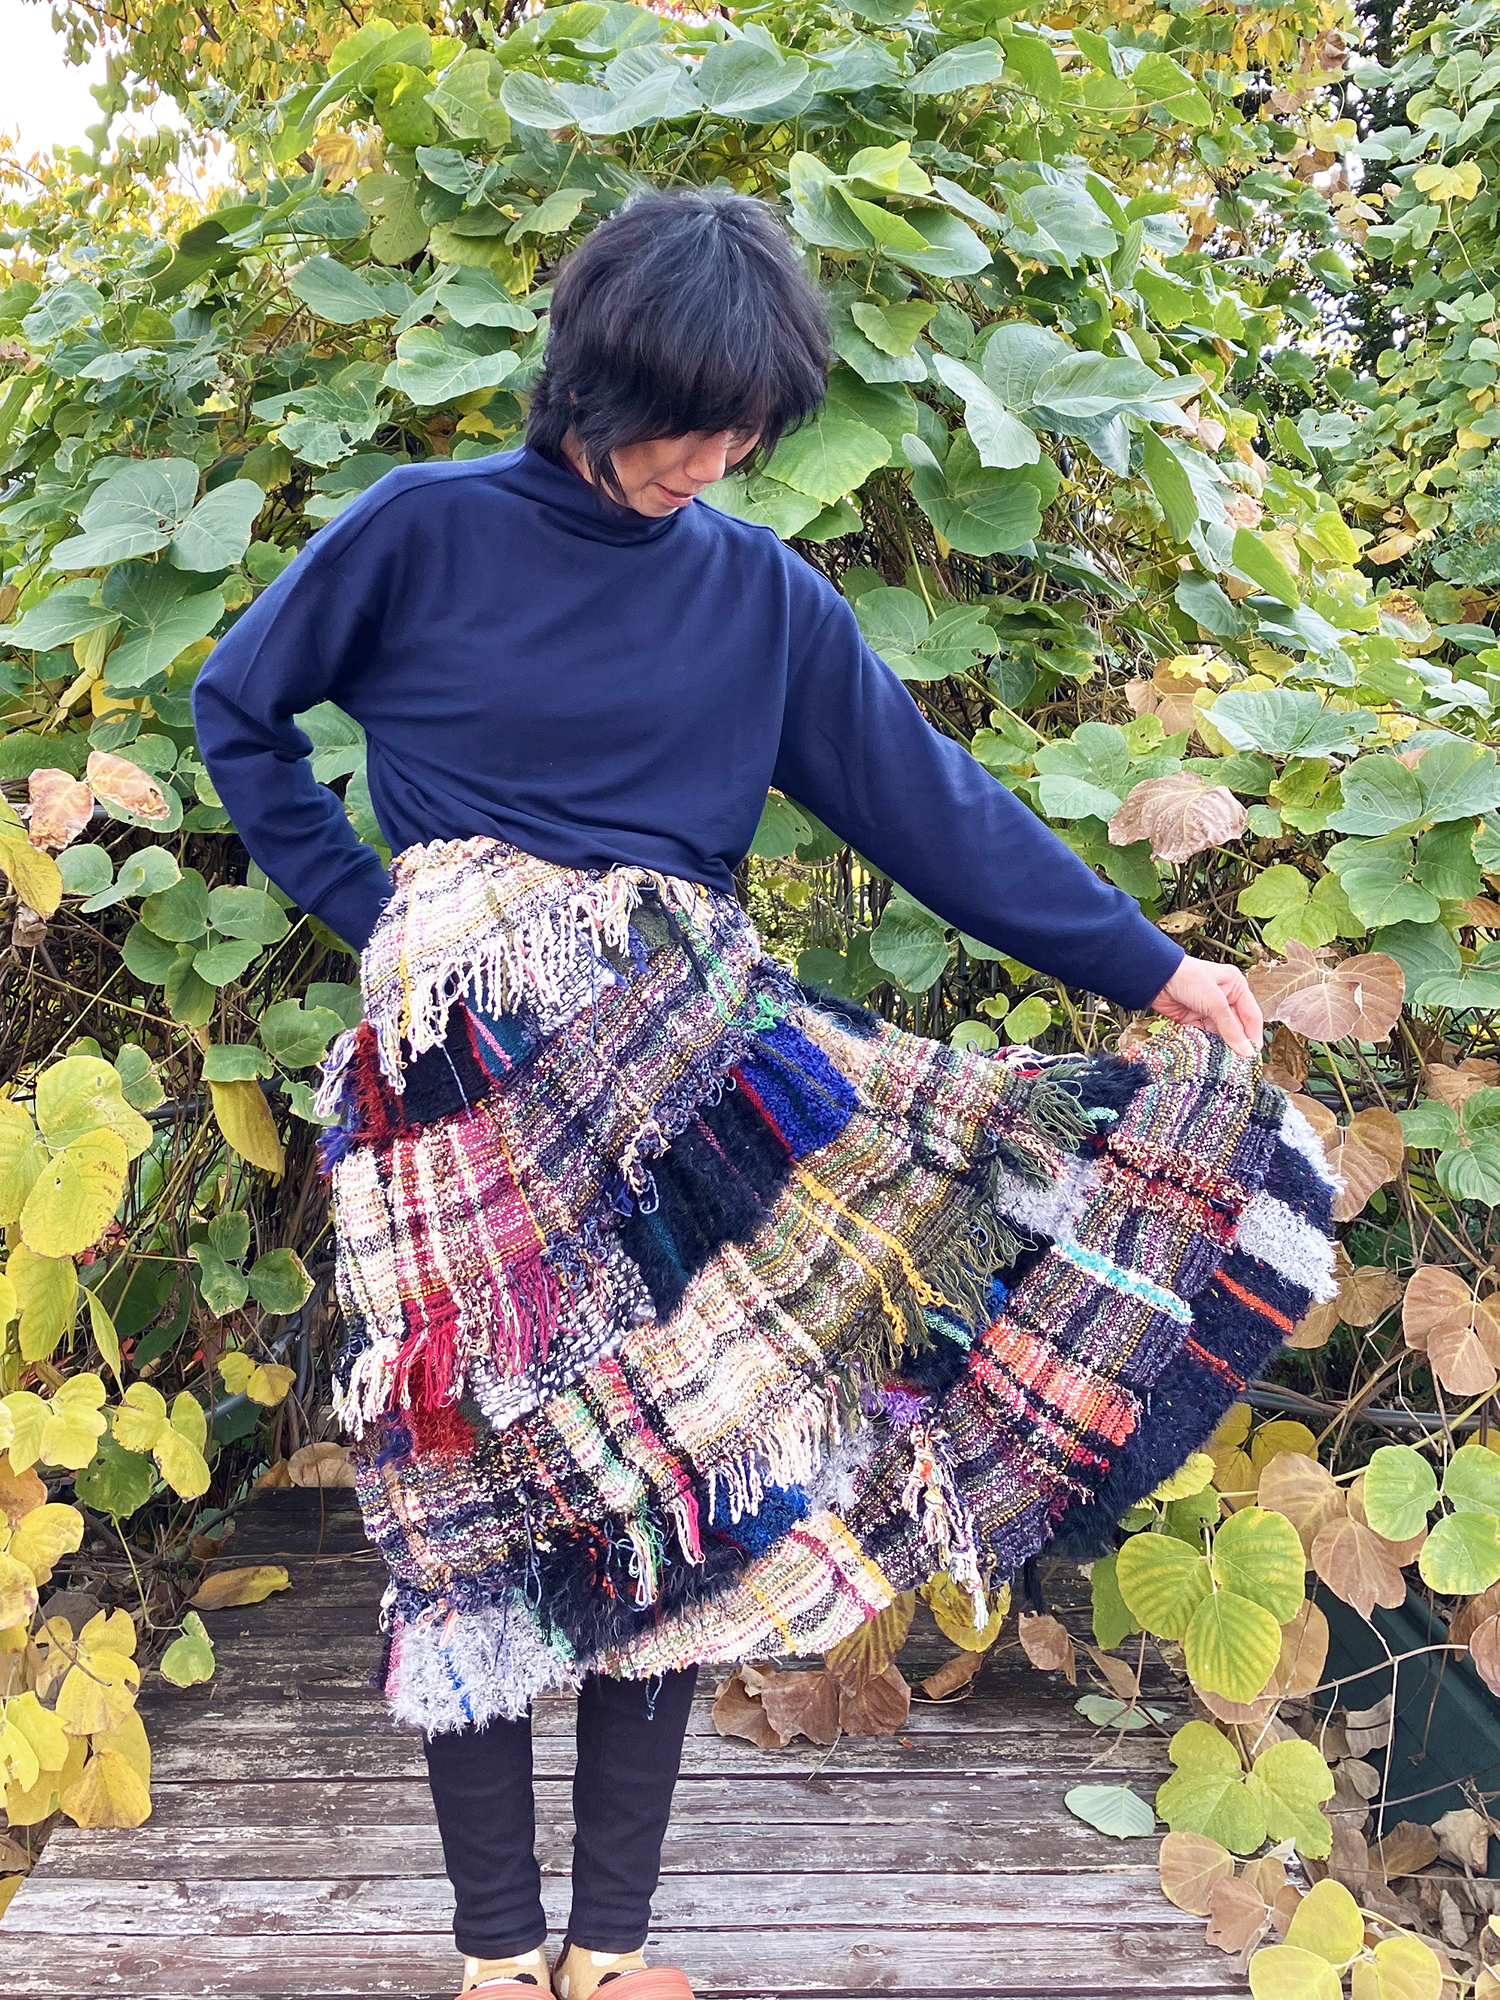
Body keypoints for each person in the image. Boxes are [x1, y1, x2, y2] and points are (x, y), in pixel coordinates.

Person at [191, 189, 1335, 2000]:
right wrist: (390, 923)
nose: (709, 461)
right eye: (684, 421)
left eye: (742, 431)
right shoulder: (424, 530)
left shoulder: (760, 597)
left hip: (687, 1107)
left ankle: (611, 1947)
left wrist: (1151, 968)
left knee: (682, 1474)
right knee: (470, 1504)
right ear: (592, 376)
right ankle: (496, 1956)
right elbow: (237, 709)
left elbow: (928, 804)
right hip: (457, 1126)